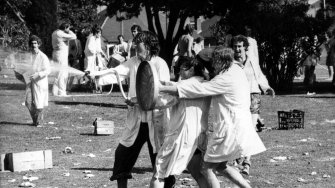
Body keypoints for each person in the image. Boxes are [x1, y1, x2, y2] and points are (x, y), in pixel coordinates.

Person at [159, 47, 266, 188]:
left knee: (207, 168)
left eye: (214, 62)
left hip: (230, 129)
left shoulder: (224, 79)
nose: (212, 65)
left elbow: (198, 89)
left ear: (222, 61)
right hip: (238, 125)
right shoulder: (236, 70)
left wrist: (158, 88)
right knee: (220, 166)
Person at [89, 31, 175, 188]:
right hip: (136, 120)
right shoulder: (133, 61)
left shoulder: (160, 64)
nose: (135, 46)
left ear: (148, 46)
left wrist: (139, 101)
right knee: (122, 155)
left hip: (156, 121)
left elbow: (164, 95)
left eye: (139, 43)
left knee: (161, 161)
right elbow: (117, 73)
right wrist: (96, 76)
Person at [150, 56, 211, 188]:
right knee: (197, 172)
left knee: (158, 173)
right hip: (199, 137)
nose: (179, 73)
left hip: (181, 136)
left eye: (182, 70)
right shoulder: (207, 85)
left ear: (192, 69)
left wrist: (140, 101)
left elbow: (164, 101)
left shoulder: (185, 86)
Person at [232, 35, 274, 175]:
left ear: (245, 47)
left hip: (253, 94)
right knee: (238, 128)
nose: (237, 49)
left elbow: (259, 75)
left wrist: (267, 87)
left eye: (239, 46)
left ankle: (247, 162)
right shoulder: (231, 62)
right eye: (235, 46)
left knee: (251, 128)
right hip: (239, 97)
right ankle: (238, 157)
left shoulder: (252, 60)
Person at [24, 35, 51, 127]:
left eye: (35, 43)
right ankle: (35, 120)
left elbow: (48, 70)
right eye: (32, 43)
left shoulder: (43, 57)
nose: (33, 45)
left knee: (39, 102)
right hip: (30, 82)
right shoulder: (30, 56)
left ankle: (39, 121)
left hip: (40, 82)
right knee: (28, 102)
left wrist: (38, 74)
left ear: (38, 44)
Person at [52, 23, 77, 96]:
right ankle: (62, 92)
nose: (69, 30)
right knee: (63, 74)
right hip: (61, 55)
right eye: (68, 28)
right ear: (65, 28)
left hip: (55, 53)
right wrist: (69, 31)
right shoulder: (60, 34)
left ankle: (55, 92)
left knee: (57, 74)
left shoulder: (55, 32)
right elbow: (74, 36)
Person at [84, 25, 107, 93]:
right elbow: (90, 48)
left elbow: (98, 47)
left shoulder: (98, 38)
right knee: (90, 72)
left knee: (97, 71)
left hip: (95, 57)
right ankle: (93, 86)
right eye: (99, 33)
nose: (100, 34)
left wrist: (102, 53)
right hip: (90, 57)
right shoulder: (91, 38)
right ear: (96, 33)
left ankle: (97, 88)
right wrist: (96, 52)